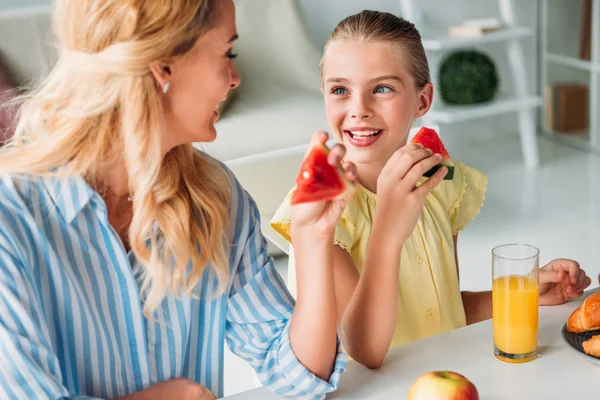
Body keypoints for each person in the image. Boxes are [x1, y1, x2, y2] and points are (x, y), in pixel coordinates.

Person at [0, 1, 355, 399]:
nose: (234, 78)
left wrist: (312, 238)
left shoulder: (217, 197)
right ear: (162, 67)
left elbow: (298, 379)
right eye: (227, 53)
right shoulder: (9, 219)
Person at [271, 10, 592, 369]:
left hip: (444, 376)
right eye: (340, 90)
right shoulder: (318, 210)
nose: (358, 109)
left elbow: (444, 312)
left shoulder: (442, 184)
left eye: (382, 89)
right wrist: (388, 228)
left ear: (423, 101)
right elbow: (364, 349)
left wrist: (523, 295)